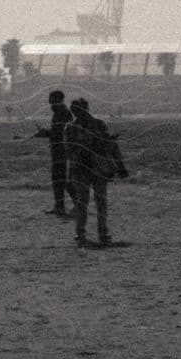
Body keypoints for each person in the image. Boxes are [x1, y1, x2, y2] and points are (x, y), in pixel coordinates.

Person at [67, 98, 122, 247]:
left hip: (91, 167)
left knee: (93, 202)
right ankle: (93, 233)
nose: (76, 113)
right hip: (87, 167)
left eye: (77, 110)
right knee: (90, 202)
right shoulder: (93, 125)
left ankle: (90, 233)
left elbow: (70, 149)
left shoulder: (75, 127)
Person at [45, 89, 74, 215]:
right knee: (58, 178)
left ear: (59, 101)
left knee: (61, 178)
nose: (50, 105)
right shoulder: (59, 113)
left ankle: (77, 203)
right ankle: (60, 205)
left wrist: (45, 133)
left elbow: (59, 132)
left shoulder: (63, 114)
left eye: (52, 102)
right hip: (57, 150)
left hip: (62, 151)